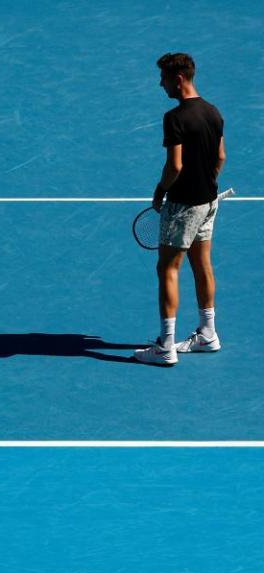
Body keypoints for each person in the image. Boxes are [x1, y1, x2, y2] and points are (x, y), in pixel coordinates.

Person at [134, 53, 225, 366]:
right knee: (202, 265)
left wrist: (161, 191)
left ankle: (166, 346)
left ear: (178, 79)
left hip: (183, 205)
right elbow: (221, 157)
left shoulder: (174, 118)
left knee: (167, 269)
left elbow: (175, 165)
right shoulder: (213, 112)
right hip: (209, 201)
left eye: (163, 78)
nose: (161, 84)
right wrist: (204, 182)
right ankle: (208, 334)